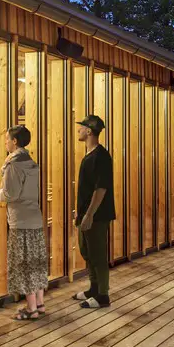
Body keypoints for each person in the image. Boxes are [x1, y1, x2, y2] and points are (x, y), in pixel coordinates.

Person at [0, 124, 48, 321]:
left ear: (14, 141)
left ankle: (31, 308)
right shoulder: (32, 163)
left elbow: (10, 194)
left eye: (7, 139)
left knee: (24, 263)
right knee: (36, 263)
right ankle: (40, 304)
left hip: (21, 221)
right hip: (35, 219)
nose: (5, 142)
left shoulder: (14, 165)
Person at [73, 113, 115, 309]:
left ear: (89, 131)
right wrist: (79, 212)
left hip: (97, 215)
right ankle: (94, 289)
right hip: (86, 214)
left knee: (98, 254)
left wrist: (89, 214)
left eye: (81, 127)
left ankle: (103, 296)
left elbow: (101, 189)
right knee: (86, 251)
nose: (79, 130)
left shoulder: (101, 156)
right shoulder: (89, 155)